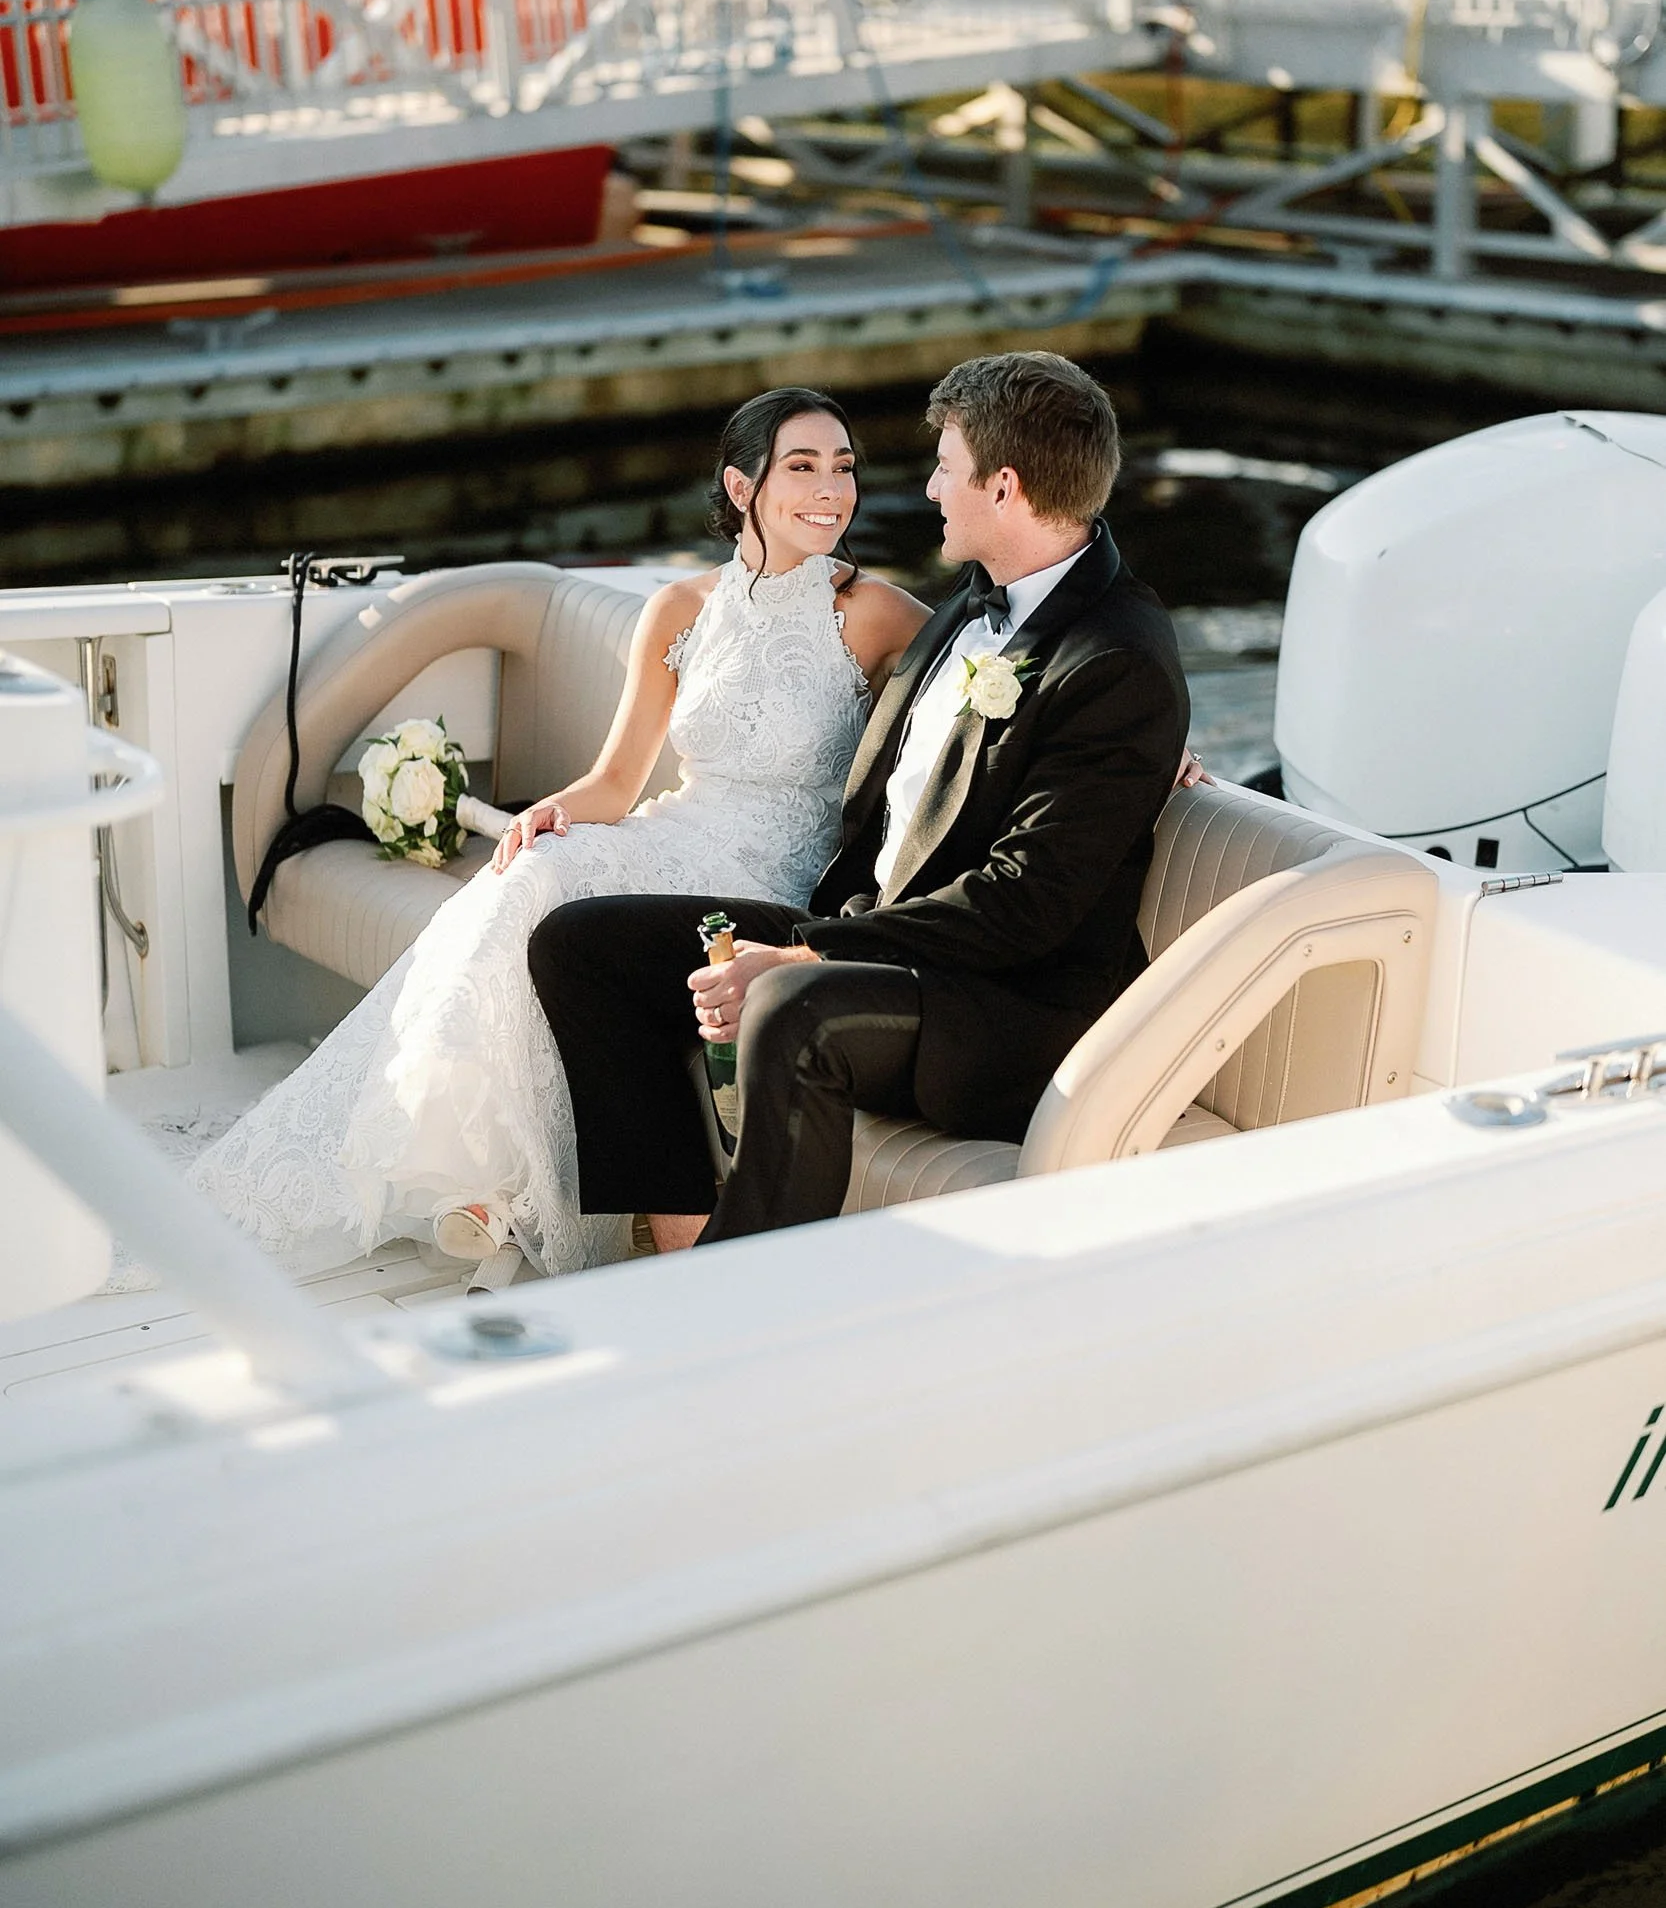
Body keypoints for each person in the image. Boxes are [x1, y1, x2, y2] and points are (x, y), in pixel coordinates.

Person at [190, 389, 928, 1277]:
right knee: (525, 878)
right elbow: (618, 780)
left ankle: (506, 1191)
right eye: (802, 467)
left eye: (843, 467)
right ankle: (479, 1175)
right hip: (674, 833)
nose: (831, 490)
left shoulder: (880, 612)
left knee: (554, 910)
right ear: (741, 487)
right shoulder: (679, 610)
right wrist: (555, 811)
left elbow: (964, 708)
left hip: (771, 875)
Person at [529, 350, 1192, 1252]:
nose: (928, 491)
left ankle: (742, 1297)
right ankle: (684, 1238)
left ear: (1003, 488)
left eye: (946, 470)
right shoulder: (978, 600)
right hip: (885, 935)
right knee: (581, 946)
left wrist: (803, 950)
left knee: (797, 1013)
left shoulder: (1118, 662)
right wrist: (817, 934)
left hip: (1009, 1007)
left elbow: (1023, 906)